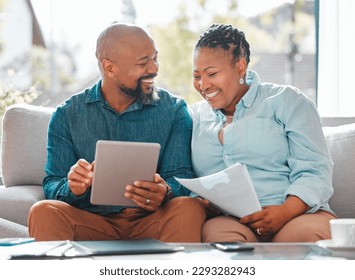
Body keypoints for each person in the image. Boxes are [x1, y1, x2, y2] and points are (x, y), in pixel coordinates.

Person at [28, 23, 205, 242]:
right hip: (91, 220)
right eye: (143, 62)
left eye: (155, 58)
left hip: (150, 220)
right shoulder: (67, 114)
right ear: (110, 68)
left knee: (189, 207)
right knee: (43, 211)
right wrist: (73, 187)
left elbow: (181, 175)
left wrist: (166, 190)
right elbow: (53, 182)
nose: (154, 69)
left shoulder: (174, 110)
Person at [190, 23, 336, 243]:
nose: (203, 85)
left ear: (240, 66)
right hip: (229, 219)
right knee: (222, 245)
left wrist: (284, 212)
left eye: (211, 73)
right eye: (196, 76)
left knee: (302, 239)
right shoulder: (193, 116)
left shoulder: (287, 101)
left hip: (296, 214)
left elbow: (315, 170)